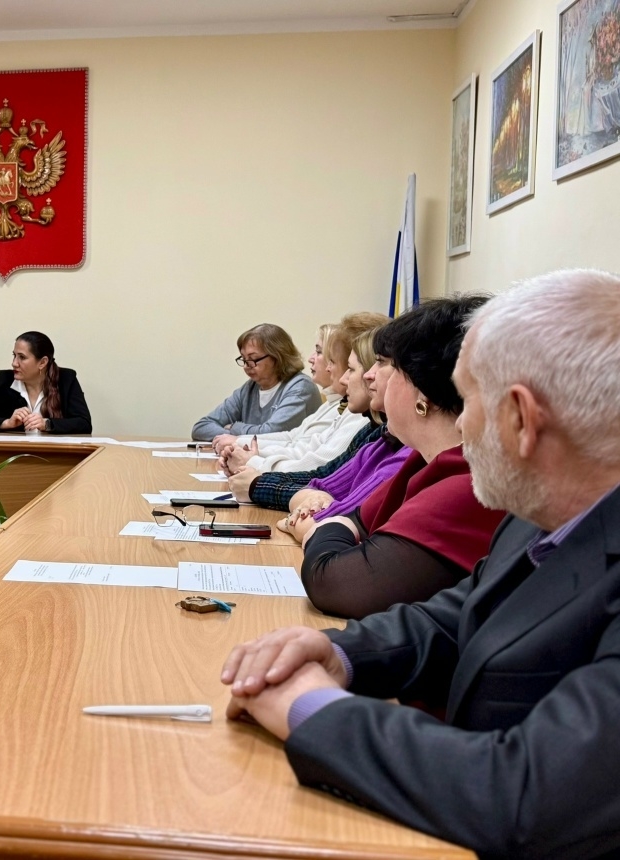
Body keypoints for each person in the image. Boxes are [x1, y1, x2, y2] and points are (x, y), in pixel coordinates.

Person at [220, 269, 620, 860]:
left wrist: (310, 709)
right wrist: (338, 654)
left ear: (521, 418)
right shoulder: (540, 512)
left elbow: (526, 794)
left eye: (469, 401)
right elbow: (458, 617)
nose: (460, 426)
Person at [289, 296, 506, 618]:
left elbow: (333, 582)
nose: (370, 376)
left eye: (384, 364)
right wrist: (335, 525)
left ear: (423, 392)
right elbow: (353, 520)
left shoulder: (470, 481)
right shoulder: (422, 462)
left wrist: (322, 529)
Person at [229, 326, 402, 513]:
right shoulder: (376, 430)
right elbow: (324, 477)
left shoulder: (367, 424)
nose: (343, 378)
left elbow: (340, 503)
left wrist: (256, 475)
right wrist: (255, 476)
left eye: (350, 369)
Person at [219, 314, 384, 475]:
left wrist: (251, 459)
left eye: (331, 359)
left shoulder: (357, 415)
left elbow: (317, 468)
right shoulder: (342, 406)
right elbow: (299, 444)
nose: (313, 359)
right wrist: (244, 449)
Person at [191, 323, 322, 442]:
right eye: (244, 359)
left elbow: (271, 434)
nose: (246, 366)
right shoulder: (250, 388)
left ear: (277, 357)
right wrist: (232, 436)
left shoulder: (300, 387)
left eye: (253, 359)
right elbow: (201, 427)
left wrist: (235, 428)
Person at [0, 331, 92, 434]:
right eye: (14, 355)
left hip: (54, 453)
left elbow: (84, 424)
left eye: (22, 357)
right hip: (14, 453)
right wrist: (7, 423)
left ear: (42, 362)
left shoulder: (66, 379)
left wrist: (47, 424)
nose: (14, 363)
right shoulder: (3, 380)